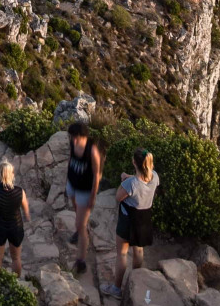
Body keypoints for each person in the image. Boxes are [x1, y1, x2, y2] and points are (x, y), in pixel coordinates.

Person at [109, 148, 159, 294]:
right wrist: (130, 176)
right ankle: (135, 281)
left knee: (122, 254)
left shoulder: (130, 183)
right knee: (138, 249)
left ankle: (116, 288)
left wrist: (124, 180)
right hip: (144, 219)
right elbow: (143, 179)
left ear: (134, 162)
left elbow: (118, 197)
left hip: (128, 221)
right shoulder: (155, 176)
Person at [65, 121, 103, 277]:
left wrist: (93, 196)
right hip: (73, 184)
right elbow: (70, 159)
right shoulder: (73, 144)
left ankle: (81, 261)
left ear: (84, 136)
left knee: (80, 225)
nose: (74, 140)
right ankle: (81, 229)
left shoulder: (92, 151)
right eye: (72, 137)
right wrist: (66, 181)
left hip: (85, 190)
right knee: (77, 213)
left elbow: (97, 175)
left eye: (77, 137)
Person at [0, 159, 30, 275]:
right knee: (16, 258)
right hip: (16, 227)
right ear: (11, 175)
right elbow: (26, 210)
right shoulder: (20, 191)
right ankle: (17, 283)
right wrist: (27, 219)